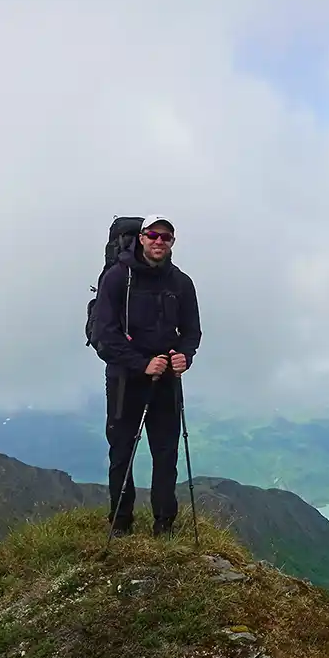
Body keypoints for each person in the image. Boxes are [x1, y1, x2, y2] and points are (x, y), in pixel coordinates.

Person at [90, 214, 201, 537]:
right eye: (152, 235)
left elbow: (192, 331)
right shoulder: (117, 278)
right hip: (126, 380)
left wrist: (185, 356)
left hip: (166, 378)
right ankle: (120, 523)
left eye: (165, 237)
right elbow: (104, 335)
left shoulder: (181, 283)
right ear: (140, 238)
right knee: (122, 450)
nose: (158, 241)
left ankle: (164, 525)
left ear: (172, 243)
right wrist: (141, 364)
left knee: (166, 452)